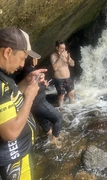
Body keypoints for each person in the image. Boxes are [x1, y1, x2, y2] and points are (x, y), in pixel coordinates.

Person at [0, 27, 47, 180]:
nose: (22, 65)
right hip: (11, 161)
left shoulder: (3, 76)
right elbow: (10, 133)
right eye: (22, 58)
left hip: (18, 154)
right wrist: (29, 98)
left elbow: (8, 98)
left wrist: (25, 84)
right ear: (7, 52)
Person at [18, 56, 63, 146]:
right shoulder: (30, 71)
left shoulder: (26, 70)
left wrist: (43, 84)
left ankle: (50, 135)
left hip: (33, 104)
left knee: (43, 120)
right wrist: (43, 85)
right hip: (39, 102)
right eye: (36, 58)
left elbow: (32, 85)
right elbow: (32, 87)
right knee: (58, 118)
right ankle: (55, 139)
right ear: (33, 59)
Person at [50, 41, 75, 107]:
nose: (64, 50)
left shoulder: (65, 54)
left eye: (64, 48)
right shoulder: (53, 56)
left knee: (71, 94)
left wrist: (69, 60)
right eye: (62, 48)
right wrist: (60, 58)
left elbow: (72, 64)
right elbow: (55, 68)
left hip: (68, 78)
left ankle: (72, 110)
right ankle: (61, 110)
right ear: (57, 48)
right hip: (59, 79)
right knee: (61, 96)